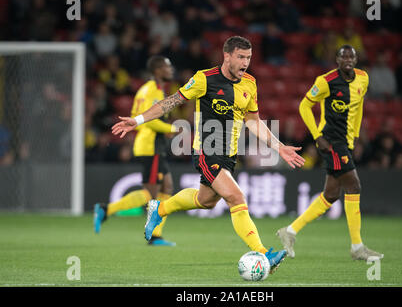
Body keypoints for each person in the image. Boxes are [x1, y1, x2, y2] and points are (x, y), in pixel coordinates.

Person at [111, 36, 305, 273]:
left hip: (229, 155)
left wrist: (279, 146)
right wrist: (138, 119)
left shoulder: (250, 83)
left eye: (249, 58)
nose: (246, 62)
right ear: (227, 56)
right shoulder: (205, 79)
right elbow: (171, 102)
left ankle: (158, 209)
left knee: (206, 201)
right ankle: (264, 253)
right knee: (236, 197)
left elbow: (253, 122)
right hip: (206, 150)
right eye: (241, 57)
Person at [276, 45, 384, 261]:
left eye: (351, 57)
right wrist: (317, 136)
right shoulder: (326, 81)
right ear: (336, 60)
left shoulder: (363, 78)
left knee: (331, 194)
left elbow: (359, 106)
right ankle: (357, 247)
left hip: (345, 141)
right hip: (331, 141)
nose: (347, 60)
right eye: (343, 57)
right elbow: (304, 106)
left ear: (356, 59)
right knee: (354, 185)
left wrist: (354, 135)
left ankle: (290, 231)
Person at [94, 56, 178, 246]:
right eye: (167, 66)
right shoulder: (151, 91)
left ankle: (155, 234)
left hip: (153, 146)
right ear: (157, 70)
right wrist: (171, 129)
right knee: (151, 194)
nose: (171, 70)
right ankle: (108, 210)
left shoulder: (150, 89)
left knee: (167, 187)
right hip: (150, 146)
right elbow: (145, 118)